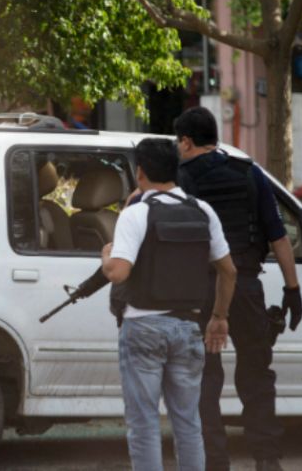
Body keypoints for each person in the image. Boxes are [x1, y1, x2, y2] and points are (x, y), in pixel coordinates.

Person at [174, 106, 302, 471]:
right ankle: (267, 458)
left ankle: (215, 461)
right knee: (256, 374)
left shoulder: (179, 178)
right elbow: (278, 236)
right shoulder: (250, 173)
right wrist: (292, 289)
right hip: (246, 287)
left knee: (205, 377)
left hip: (200, 290)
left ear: (187, 142)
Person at [102, 138, 237, 471]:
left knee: (144, 423)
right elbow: (229, 271)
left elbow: (118, 273)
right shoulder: (202, 210)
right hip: (189, 327)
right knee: (189, 422)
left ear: (140, 172)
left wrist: (106, 256)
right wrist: (219, 317)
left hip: (143, 327)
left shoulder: (136, 213)